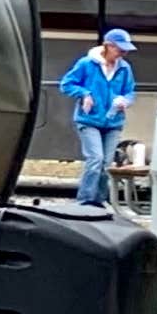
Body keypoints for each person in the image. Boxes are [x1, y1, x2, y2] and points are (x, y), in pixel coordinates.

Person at [61, 27, 137, 207]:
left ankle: (99, 201)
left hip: (114, 121)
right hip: (89, 120)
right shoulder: (87, 64)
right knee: (95, 159)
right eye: (120, 49)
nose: (123, 53)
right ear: (108, 46)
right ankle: (84, 201)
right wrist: (85, 93)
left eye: (126, 50)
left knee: (105, 163)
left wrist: (125, 101)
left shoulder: (125, 68)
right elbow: (66, 84)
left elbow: (130, 92)